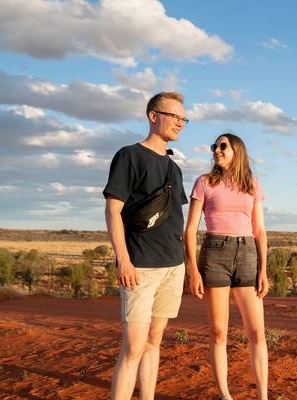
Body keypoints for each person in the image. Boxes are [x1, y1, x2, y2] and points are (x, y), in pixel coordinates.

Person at [103, 91, 190, 400]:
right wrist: (123, 261)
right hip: (140, 266)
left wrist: (185, 266)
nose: (180, 123)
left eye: (183, 118)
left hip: (172, 266)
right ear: (154, 116)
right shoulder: (130, 156)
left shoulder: (174, 169)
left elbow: (174, 218)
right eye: (174, 116)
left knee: (154, 341)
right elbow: (113, 210)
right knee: (133, 348)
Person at [184, 132, 270, 400]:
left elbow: (259, 230)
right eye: (214, 146)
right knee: (218, 332)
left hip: (247, 254)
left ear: (237, 151)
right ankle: (225, 395)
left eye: (223, 146)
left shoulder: (252, 185)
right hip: (215, 254)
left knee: (257, 332)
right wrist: (193, 270)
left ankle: (263, 396)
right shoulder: (204, 182)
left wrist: (263, 269)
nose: (216, 150)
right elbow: (189, 230)